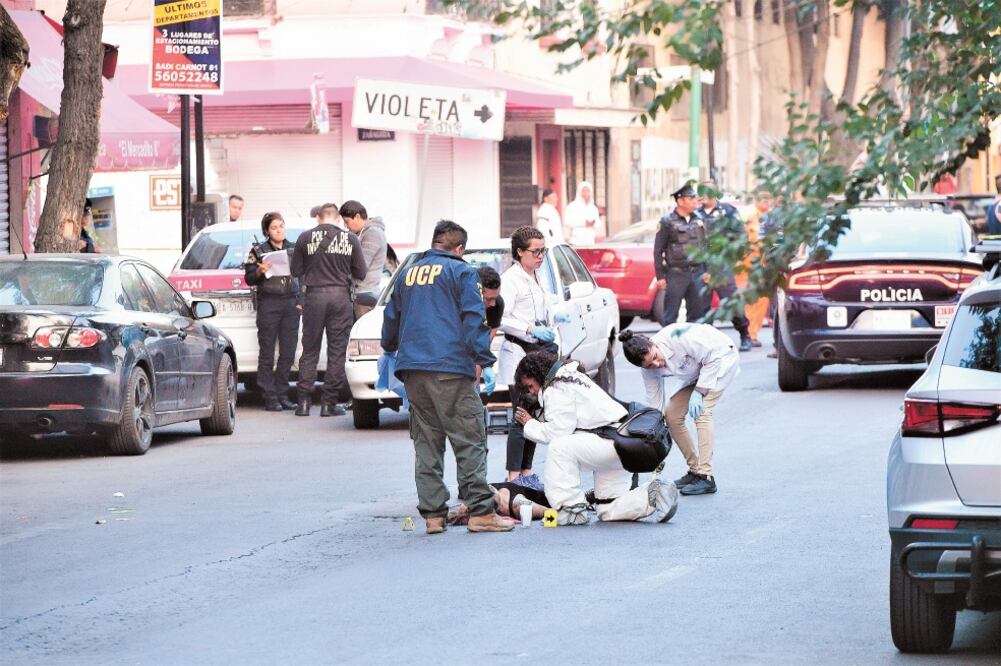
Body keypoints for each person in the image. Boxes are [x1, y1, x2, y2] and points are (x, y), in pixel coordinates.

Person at [381, 220, 515, 534]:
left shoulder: (408, 273)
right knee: (469, 438)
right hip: (450, 369)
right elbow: (472, 317)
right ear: (459, 249)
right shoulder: (461, 271)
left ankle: (433, 516)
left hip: (413, 371)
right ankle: (481, 512)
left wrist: (390, 348)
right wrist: (484, 359)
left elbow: (391, 318)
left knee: (427, 443)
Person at [512, 350, 679, 526]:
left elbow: (558, 432)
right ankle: (656, 494)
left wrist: (529, 424)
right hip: (622, 444)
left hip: (611, 443)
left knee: (559, 447)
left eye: (530, 386)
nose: (532, 391)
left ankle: (570, 510)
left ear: (536, 374)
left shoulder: (557, 386)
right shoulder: (571, 376)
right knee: (608, 508)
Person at [618, 325, 740, 495]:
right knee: (672, 416)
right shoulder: (648, 371)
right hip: (697, 373)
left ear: (653, 343)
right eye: (650, 365)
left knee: (702, 413)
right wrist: (653, 440)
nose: (657, 364)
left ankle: (706, 477)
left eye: (655, 357)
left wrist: (699, 392)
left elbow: (713, 356)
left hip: (721, 360)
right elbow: (655, 405)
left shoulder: (679, 338)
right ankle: (695, 470)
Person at [497, 226, 570, 486]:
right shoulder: (511, 279)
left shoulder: (539, 276)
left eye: (543, 251)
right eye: (535, 252)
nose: (540, 256)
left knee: (535, 416)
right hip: (519, 352)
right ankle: (513, 477)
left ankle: (527, 473)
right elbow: (500, 319)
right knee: (521, 416)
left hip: (538, 354)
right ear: (519, 252)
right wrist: (529, 328)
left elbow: (546, 307)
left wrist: (556, 316)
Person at [290, 202, 367, 417]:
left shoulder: (305, 238)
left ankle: (303, 403)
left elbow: (295, 270)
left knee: (310, 349)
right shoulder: (350, 238)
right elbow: (361, 271)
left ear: (318, 218)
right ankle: (328, 404)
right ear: (338, 219)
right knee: (336, 351)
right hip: (340, 298)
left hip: (314, 297)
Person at [244, 212, 302, 412]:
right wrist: (259, 271)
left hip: (290, 302)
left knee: (288, 351)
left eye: (281, 226)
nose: (279, 230)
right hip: (269, 302)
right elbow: (249, 278)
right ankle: (269, 395)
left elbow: (303, 275)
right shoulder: (258, 250)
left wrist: (301, 301)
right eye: (274, 227)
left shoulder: (294, 248)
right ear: (267, 231)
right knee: (267, 351)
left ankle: (282, 393)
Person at [698, 185, 752, 352]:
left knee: (730, 302)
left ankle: (744, 334)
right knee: (701, 307)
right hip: (701, 265)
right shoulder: (696, 214)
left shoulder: (728, 212)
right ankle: (706, 343)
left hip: (722, 265)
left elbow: (741, 237)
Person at [654, 183, 708, 326]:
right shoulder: (667, 221)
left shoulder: (699, 220)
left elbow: (706, 246)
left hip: (697, 273)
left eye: (694, 198)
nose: (695, 201)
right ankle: (668, 346)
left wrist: (708, 270)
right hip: (676, 274)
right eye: (690, 198)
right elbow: (658, 250)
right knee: (670, 316)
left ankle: (692, 346)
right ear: (680, 201)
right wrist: (660, 277)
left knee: (697, 316)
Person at [341, 201, 386, 319]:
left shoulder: (372, 233)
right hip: (361, 294)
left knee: (360, 336)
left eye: (347, 222)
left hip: (364, 295)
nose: (346, 226)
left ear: (357, 217)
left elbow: (361, 266)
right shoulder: (363, 233)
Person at [741, 192, 774, 348]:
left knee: (762, 299)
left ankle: (753, 332)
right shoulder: (746, 215)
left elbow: (779, 241)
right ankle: (747, 332)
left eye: (769, 198)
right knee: (748, 297)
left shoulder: (774, 217)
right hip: (746, 262)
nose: (766, 202)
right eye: (763, 198)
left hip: (765, 262)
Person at [477, 265, 503, 396]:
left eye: (495, 297)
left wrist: (484, 366)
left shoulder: (497, 304)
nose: (493, 303)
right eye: (488, 299)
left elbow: (485, 343)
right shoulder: (458, 304)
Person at [563, 181, 600, 245]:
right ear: (579, 192)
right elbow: (567, 221)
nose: (585, 193)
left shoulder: (593, 208)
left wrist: (593, 223)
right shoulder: (572, 206)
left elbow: (598, 223)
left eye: (588, 191)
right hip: (576, 242)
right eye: (583, 191)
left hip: (590, 242)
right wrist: (583, 223)